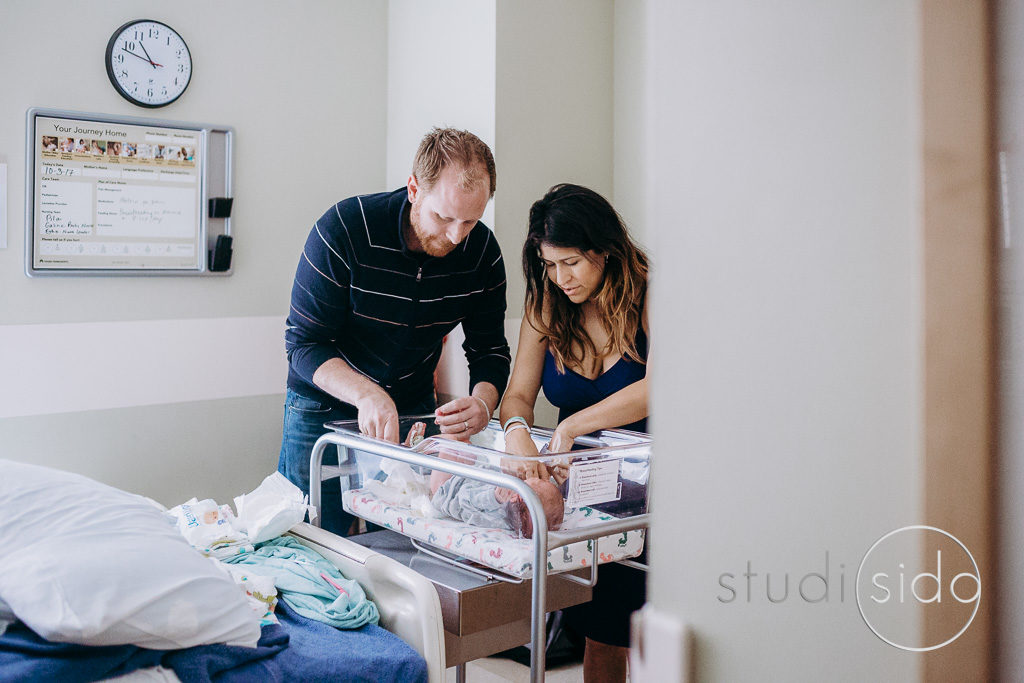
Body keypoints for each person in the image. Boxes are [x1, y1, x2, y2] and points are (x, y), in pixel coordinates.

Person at [280, 127, 511, 537]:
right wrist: (367, 393)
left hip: (412, 408)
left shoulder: (482, 254)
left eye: (471, 221)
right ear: (414, 188)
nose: (457, 236)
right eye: (443, 217)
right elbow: (304, 344)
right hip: (322, 408)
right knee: (313, 535)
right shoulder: (345, 230)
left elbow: (490, 349)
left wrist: (482, 403)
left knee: (405, 537)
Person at [499, 183, 650, 682]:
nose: (560, 277)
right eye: (549, 264)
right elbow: (517, 396)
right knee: (598, 634)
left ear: (604, 250)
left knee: (649, 632)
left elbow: (666, 384)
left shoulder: (650, 292)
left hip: (651, 488)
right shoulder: (548, 304)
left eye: (571, 263)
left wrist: (570, 427)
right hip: (585, 495)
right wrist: (518, 433)